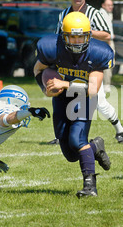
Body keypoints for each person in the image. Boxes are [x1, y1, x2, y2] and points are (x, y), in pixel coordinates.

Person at [34, 11, 113, 198]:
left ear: (89, 35)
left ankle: (90, 186)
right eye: (72, 36)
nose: (77, 41)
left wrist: (65, 84)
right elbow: (37, 69)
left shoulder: (98, 52)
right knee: (70, 153)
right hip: (61, 98)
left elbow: (92, 89)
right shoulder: (51, 47)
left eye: (81, 36)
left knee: (77, 140)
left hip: (84, 97)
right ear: (63, 36)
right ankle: (96, 147)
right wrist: (45, 88)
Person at [54, 0, 123, 145]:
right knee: (64, 96)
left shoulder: (95, 13)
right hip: (69, 62)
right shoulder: (63, 14)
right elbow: (57, 39)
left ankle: (121, 130)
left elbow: (107, 35)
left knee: (98, 101)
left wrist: (85, 32)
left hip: (90, 63)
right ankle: (61, 134)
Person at [99, 0, 115, 92]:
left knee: (111, 63)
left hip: (109, 40)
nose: (111, 7)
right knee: (108, 64)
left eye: (111, 5)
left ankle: (106, 84)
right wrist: (109, 40)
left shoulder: (108, 14)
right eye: (108, 5)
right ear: (103, 5)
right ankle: (106, 85)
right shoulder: (101, 14)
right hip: (106, 42)